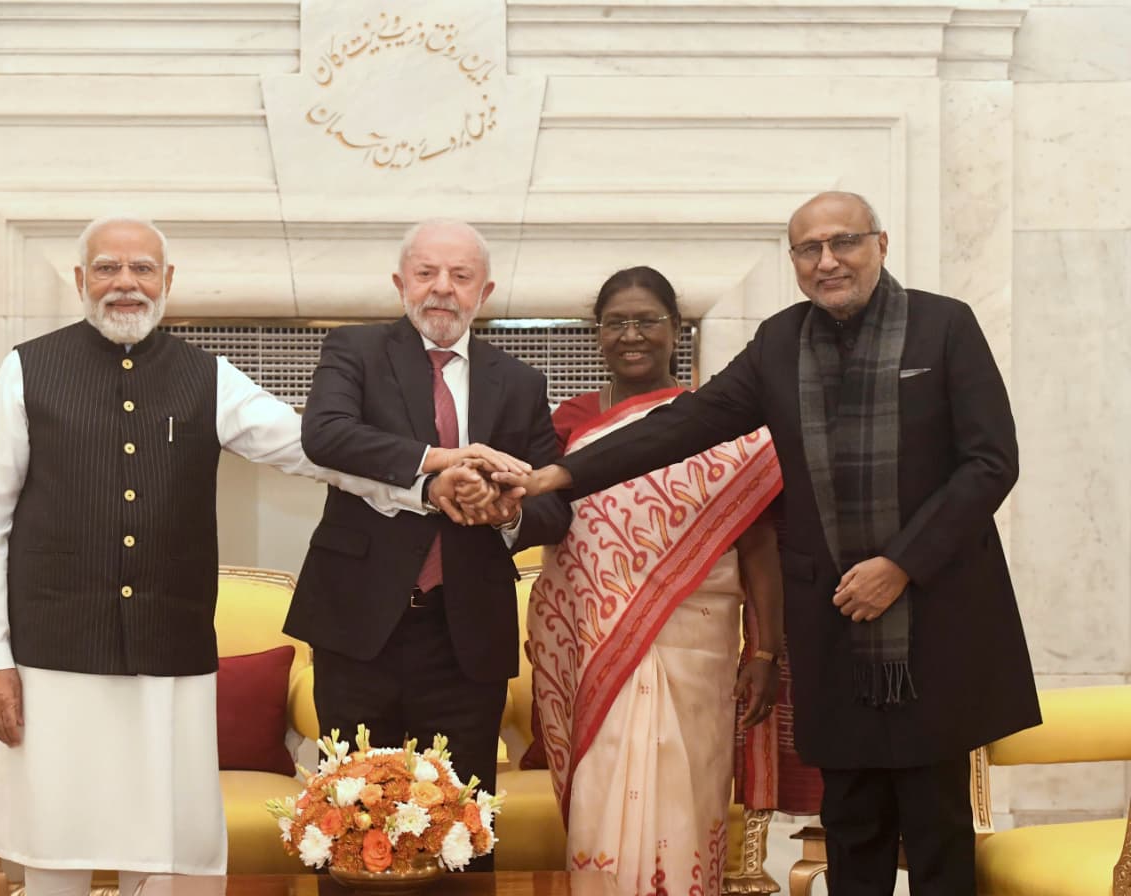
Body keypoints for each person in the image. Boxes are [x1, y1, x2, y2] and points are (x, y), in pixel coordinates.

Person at [499, 192, 1041, 895]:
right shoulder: (781, 342)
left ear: (881, 243)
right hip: (832, 619)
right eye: (808, 249)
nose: (827, 261)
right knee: (849, 815)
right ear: (794, 262)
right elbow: (687, 424)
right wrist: (563, 473)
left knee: (934, 818)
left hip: (930, 612)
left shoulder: (945, 327)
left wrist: (902, 565)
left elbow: (990, 463)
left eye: (843, 242)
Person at [0, 215, 499, 896]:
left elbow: (311, 448)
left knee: (169, 855)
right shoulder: (26, 369)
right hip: (52, 660)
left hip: (169, 660)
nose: (125, 283)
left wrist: (421, 478)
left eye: (142, 269)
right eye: (107, 268)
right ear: (80, 281)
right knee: (55, 853)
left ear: (168, 282)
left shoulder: (207, 377)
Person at [287, 219, 572, 858]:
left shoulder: (520, 381)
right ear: (401, 283)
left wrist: (503, 510)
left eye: (460, 276)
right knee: (353, 829)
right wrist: (441, 462)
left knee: (460, 835)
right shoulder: (355, 351)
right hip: (359, 629)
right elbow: (325, 434)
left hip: (464, 639)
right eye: (426, 273)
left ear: (484, 291)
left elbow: (554, 507)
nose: (442, 289)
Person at [529, 265, 789, 895]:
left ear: (676, 330)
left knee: (685, 795)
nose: (632, 335)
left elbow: (758, 547)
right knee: (601, 800)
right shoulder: (569, 426)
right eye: (616, 322)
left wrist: (764, 652)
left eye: (647, 321)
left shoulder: (719, 423)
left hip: (696, 643)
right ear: (597, 335)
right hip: (596, 643)